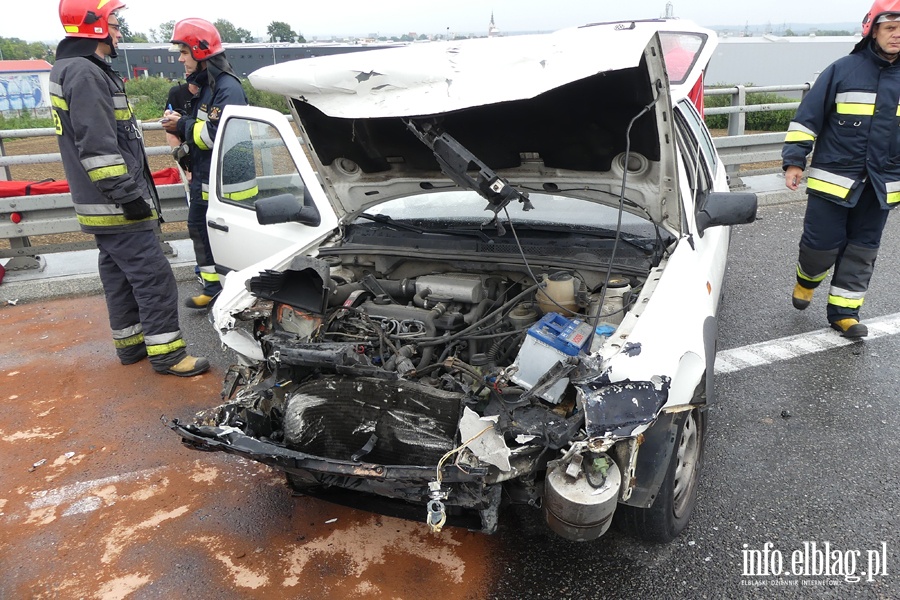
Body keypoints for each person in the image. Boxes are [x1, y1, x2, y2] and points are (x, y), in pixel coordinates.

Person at [50, 0, 209, 376]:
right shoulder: (86, 74)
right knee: (153, 276)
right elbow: (98, 148)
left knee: (119, 276)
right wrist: (128, 196)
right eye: (115, 24)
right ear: (95, 27)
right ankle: (168, 354)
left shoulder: (71, 68)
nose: (119, 33)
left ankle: (131, 345)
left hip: (99, 206)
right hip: (115, 205)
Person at [783, 0, 900, 339]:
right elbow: (808, 119)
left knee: (862, 252)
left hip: (882, 185)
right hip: (834, 181)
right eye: (890, 28)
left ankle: (844, 313)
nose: (897, 35)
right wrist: (794, 160)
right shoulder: (843, 70)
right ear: (873, 30)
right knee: (821, 247)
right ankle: (807, 280)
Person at [162, 18, 252, 310]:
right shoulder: (209, 87)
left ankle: (234, 293)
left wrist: (183, 123)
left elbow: (214, 136)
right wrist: (182, 128)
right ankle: (213, 287)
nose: (180, 59)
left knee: (224, 239)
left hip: (228, 186)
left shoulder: (227, 88)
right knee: (199, 229)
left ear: (200, 52)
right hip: (205, 178)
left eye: (184, 52)